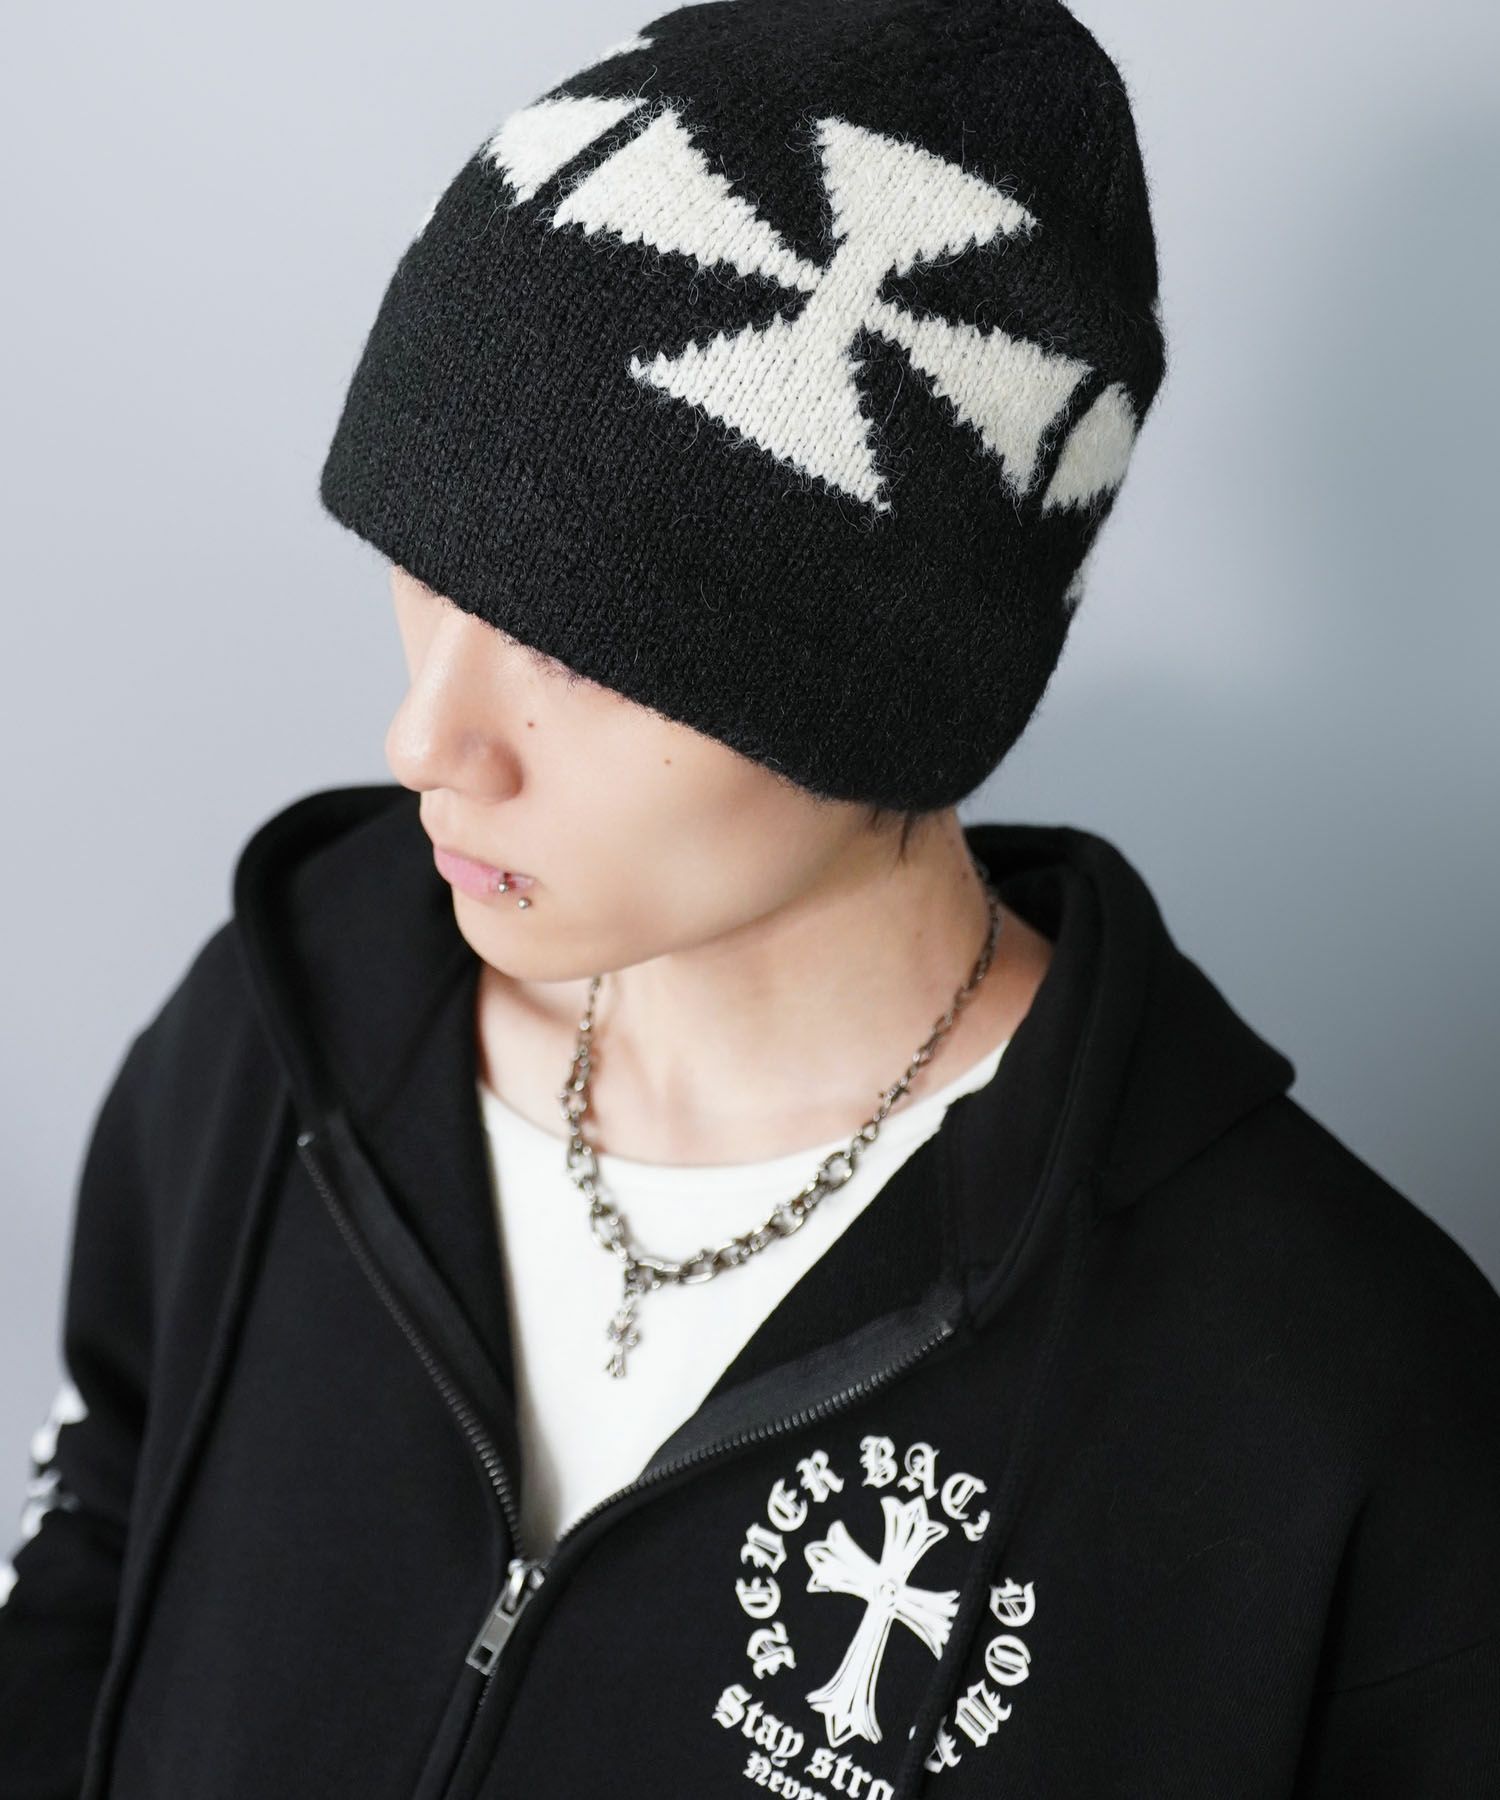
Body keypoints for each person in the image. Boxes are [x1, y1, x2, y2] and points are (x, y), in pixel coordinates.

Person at [2, 0, 1498, 1794]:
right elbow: (96, 1558)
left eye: (573, 645)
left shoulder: (1327, 1392)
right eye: (424, 578)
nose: (426, 738)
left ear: (882, 690)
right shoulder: (285, 1025)